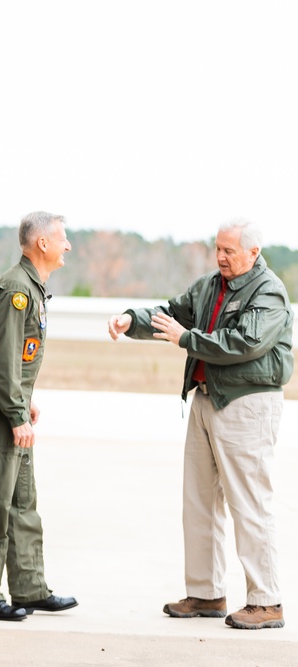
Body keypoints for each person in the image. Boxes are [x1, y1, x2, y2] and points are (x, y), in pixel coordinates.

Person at [107, 218, 290, 630]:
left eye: (230, 250)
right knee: (199, 503)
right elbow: (170, 313)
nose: (221, 257)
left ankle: (266, 601)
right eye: (218, 248)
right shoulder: (209, 285)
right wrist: (130, 319)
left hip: (247, 405)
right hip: (206, 400)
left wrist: (186, 339)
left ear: (253, 253)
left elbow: (245, 342)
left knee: (249, 503)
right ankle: (206, 594)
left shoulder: (269, 291)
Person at [0, 211, 77, 622]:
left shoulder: (33, 288)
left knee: (21, 496)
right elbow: (2, 360)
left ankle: (29, 587)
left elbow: (16, 361)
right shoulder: (18, 290)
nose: (68, 245)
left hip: (10, 401)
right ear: (42, 244)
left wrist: (23, 401)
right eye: (62, 238)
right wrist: (14, 411)